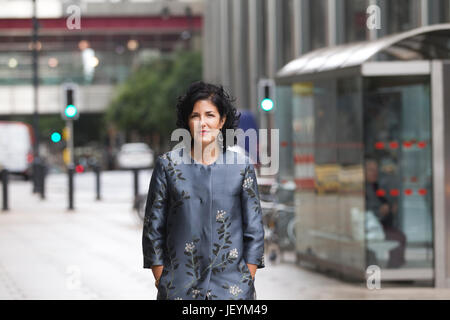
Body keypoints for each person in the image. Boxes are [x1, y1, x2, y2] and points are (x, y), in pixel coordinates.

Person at [142, 81, 265, 300]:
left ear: (222, 120)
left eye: (210, 115)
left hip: (232, 292)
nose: (202, 123)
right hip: (179, 290)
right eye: (195, 116)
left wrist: (247, 279)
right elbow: (153, 230)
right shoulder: (168, 166)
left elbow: (254, 230)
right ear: (187, 121)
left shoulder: (242, 167)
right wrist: (163, 279)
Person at [365, 158, 407, 268]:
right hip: (370, 227)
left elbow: (385, 199)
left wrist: (390, 207)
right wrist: (380, 211)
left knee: (399, 236)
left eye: (376, 170)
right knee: (397, 237)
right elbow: (365, 210)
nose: (375, 172)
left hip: (380, 225)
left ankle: (394, 267)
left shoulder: (376, 186)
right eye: (371, 170)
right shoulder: (364, 188)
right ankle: (392, 268)